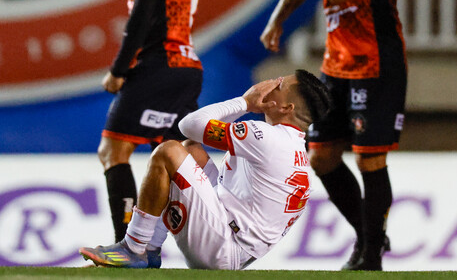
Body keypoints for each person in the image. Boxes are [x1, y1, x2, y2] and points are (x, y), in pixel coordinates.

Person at [260, 0, 406, 271]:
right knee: (321, 157)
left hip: (376, 65)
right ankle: (369, 235)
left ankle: (371, 256)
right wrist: (278, 18)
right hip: (336, 64)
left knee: (369, 159)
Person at [80, 70, 332, 269]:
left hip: (223, 246)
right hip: (236, 245)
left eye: (279, 85)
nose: (270, 84)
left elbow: (188, 124)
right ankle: (150, 249)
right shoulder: (293, 147)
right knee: (190, 149)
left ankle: (134, 248)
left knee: (169, 151)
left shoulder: (265, 136)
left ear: (286, 108)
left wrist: (245, 102)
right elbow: (194, 135)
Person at [98, 0, 203, 243]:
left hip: (160, 64)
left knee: (113, 150)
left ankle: (128, 245)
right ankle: (192, 237)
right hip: (187, 65)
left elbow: (142, 16)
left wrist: (119, 69)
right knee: (179, 158)